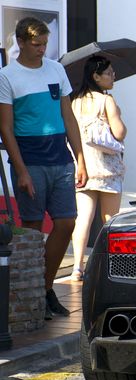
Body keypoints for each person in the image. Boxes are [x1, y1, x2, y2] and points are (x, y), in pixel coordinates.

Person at [0, 17, 88, 319]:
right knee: (34, 229)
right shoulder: (7, 76)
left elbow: (68, 115)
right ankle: (34, 295)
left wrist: (80, 158)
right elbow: (6, 128)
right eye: (36, 44)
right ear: (21, 42)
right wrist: (21, 170)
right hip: (30, 158)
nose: (41, 50)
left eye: (45, 44)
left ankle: (46, 287)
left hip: (60, 158)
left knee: (66, 223)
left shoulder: (56, 69)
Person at [70, 56, 127, 282]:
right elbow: (120, 133)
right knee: (109, 219)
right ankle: (109, 264)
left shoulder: (74, 100)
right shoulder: (106, 101)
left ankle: (77, 267)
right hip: (107, 168)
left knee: (83, 217)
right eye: (110, 73)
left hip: (82, 166)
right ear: (96, 76)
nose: (114, 76)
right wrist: (118, 113)